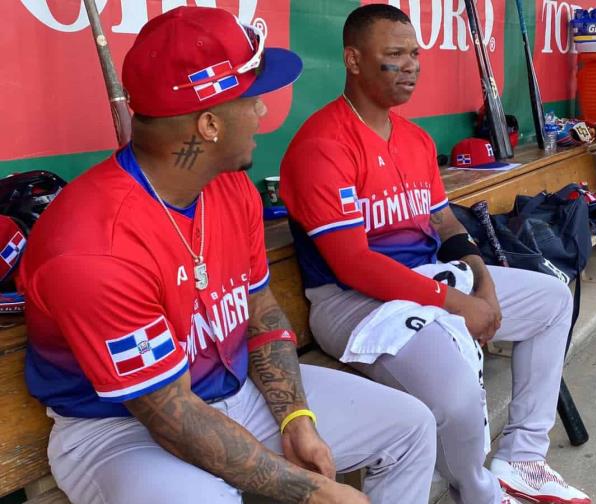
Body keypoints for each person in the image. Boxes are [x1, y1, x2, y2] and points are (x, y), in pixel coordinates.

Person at [20, 7, 437, 504]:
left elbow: (259, 310)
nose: (263, 112)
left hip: (234, 391)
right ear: (211, 123)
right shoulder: (92, 245)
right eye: (253, 97)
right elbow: (170, 415)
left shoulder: (231, 188)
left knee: (410, 427)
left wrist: (296, 417)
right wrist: (309, 491)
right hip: (117, 428)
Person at [279, 5, 590, 504]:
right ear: (353, 60)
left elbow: (444, 221)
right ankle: (478, 490)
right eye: (394, 55)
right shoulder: (323, 144)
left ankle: (524, 458)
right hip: (353, 302)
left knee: (553, 300)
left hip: (430, 278)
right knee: (457, 399)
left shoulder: (415, 138)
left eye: (415, 53)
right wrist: (456, 303)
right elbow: (353, 264)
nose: (411, 65)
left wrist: (481, 279)